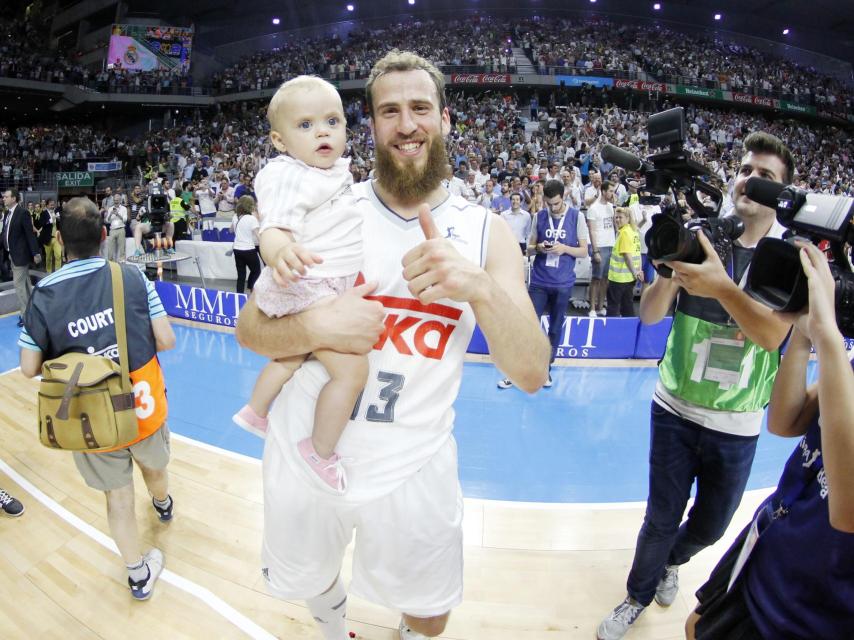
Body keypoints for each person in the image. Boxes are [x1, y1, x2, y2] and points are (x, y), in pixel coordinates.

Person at [235, 50, 549, 640]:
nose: (406, 124)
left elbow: (531, 371)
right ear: (372, 125)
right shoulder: (324, 205)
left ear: (445, 118)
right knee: (310, 578)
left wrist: (477, 286)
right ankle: (333, 628)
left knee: (430, 612)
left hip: (414, 463)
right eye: (390, 111)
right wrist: (318, 330)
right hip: (309, 452)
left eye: (420, 108)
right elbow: (251, 331)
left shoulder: (487, 230)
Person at [596, 131, 795, 640]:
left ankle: (671, 563)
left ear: (783, 192)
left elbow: (773, 336)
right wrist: (669, 269)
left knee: (711, 526)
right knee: (659, 518)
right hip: (675, 407)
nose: (752, 180)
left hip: (738, 420)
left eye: (767, 177)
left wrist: (721, 288)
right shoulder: (702, 233)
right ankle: (635, 597)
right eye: (747, 170)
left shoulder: (787, 257)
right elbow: (650, 312)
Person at [686, 241, 854, 639]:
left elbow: (846, 513)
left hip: (812, 600)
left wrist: (828, 333)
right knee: (696, 626)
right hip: (770, 543)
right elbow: (784, 420)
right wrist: (803, 330)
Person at [18, 197, 176, 601]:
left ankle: (137, 573)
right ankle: (162, 505)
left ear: (58, 239)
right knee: (153, 467)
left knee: (117, 497)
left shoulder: (44, 294)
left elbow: (29, 367)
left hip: (90, 413)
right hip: (141, 403)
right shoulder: (132, 278)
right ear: (104, 236)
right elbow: (166, 339)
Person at [232, 75, 368, 495]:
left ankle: (255, 411)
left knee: (290, 357)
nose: (322, 131)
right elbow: (272, 227)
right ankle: (320, 450)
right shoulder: (290, 174)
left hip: (323, 284)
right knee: (352, 371)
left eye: (332, 120)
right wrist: (279, 252)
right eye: (305, 125)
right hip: (309, 285)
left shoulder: (332, 173)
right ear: (279, 140)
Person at [498, 179, 588, 389]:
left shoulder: (577, 217)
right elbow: (528, 249)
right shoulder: (539, 216)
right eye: (549, 204)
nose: (553, 208)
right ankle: (517, 370)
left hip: (563, 282)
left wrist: (564, 248)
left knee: (555, 329)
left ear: (563, 196)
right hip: (539, 280)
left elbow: (584, 251)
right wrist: (538, 247)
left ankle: (545, 369)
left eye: (556, 204)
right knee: (528, 325)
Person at [2, 188, 42, 327]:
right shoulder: (7, 213)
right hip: (11, 255)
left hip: (20, 256)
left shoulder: (22, 213)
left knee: (19, 286)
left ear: (14, 198)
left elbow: (29, 235)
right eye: (4, 197)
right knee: (25, 285)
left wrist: (35, 252)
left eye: (6, 197)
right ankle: (33, 310)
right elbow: (5, 234)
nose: (3, 199)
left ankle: (25, 316)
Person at [586, 180, 616, 317]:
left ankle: (601, 305)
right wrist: (595, 250)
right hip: (600, 246)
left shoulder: (611, 207)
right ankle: (592, 308)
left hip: (611, 245)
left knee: (605, 279)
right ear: (603, 191)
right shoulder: (593, 208)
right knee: (596, 278)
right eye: (610, 191)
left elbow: (616, 225)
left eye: (613, 191)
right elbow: (592, 231)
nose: (612, 193)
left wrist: (615, 205)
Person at [606, 207, 642, 317]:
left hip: (619, 277)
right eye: (616, 217)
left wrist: (635, 272)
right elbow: (638, 253)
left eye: (620, 217)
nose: (617, 220)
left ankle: (610, 329)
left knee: (613, 306)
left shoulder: (625, 233)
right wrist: (638, 271)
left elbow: (627, 256)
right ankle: (629, 329)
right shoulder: (633, 232)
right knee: (627, 306)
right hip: (630, 277)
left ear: (627, 218)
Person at [230, 195, 262, 295]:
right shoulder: (251, 219)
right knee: (256, 270)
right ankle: (251, 288)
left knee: (241, 275)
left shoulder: (235, 216)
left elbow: (230, 230)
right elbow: (258, 236)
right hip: (248, 249)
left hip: (237, 249)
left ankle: (238, 296)